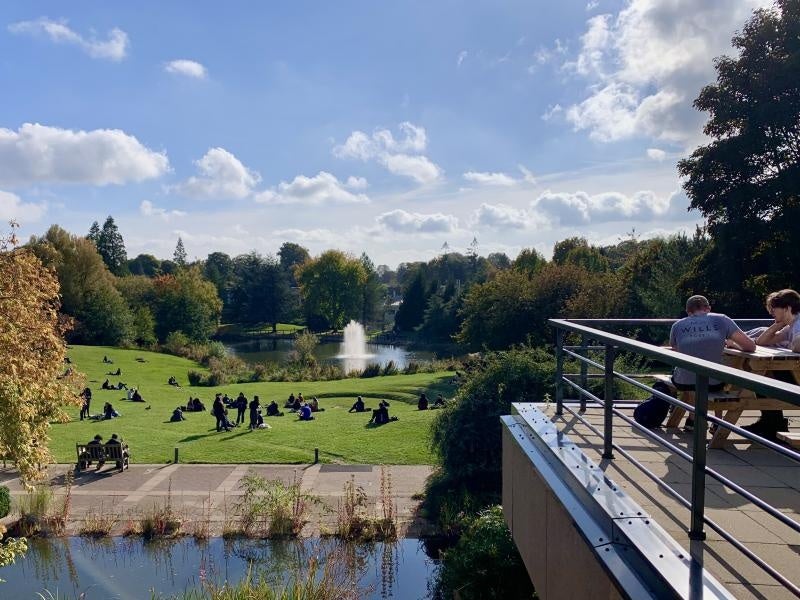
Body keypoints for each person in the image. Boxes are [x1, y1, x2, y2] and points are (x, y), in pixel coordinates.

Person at [669, 295, 755, 431]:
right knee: (717, 371)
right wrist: (732, 344)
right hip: (714, 383)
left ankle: (693, 419)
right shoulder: (722, 319)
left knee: (691, 373)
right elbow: (750, 346)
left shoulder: (677, 325)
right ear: (708, 308)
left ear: (688, 311)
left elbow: (676, 349)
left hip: (683, 381)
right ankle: (717, 421)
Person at [744, 289, 800, 438]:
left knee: (760, 375)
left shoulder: (798, 324)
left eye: (775, 309)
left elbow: (798, 344)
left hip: (797, 378)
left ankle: (772, 423)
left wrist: (794, 345)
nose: (772, 312)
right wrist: (777, 325)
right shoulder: (791, 325)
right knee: (760, 373)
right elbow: (762, 341)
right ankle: (772, 422)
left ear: (787, 308)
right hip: (795, 373)